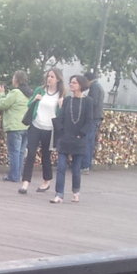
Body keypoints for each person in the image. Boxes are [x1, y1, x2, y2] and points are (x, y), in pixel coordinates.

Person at [51, 75, 95, 204]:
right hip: (65, 138)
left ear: (80, 85)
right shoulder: (67, 100)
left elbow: (89, 120)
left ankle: (76, 191)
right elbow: (61, 117)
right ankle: (59, 194)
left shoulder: (88, 101)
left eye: (74, 83)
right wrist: (61, 132)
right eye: (70, 82)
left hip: (78, 140)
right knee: (61, 167)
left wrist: (81, 134)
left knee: (76, 168)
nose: (71, 84)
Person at [19, 67, 62, 195]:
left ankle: (46, 180)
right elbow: (29, 105)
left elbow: (61, 114)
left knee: (46, 156)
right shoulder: (40, 90)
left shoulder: (61, 94)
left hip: (49, 129)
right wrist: (35, 99)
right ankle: (25, 182)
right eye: (48, 76)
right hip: (36, 125)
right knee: (30, 153)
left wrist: (61, 106)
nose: (49, 78)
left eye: (52, 76)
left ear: (58, 79)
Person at [0, 71, 30, 184]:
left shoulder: (15, 92)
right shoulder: (29, 93)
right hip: (25, 126)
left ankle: (14, 176)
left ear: (16, 80)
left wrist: (1, 93)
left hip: (14, 126)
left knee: (14, 152)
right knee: (20, 152)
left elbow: (3, 104)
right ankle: (17, 174)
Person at [81, 71, 105, 172]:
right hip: (97, 117)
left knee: (87, 141)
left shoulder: (94, 87)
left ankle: (85, 165)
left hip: (93, 117)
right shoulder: (98, 86)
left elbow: (92, 102)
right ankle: (87, 165)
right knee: (90, 142)